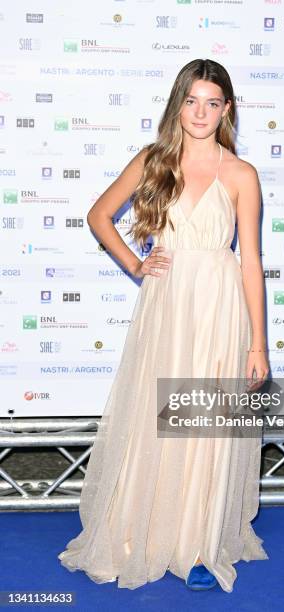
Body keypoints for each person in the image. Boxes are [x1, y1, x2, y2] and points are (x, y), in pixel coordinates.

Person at [58, 58, 270, 593]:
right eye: (193, 100)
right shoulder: (154, 160)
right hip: (168, 304)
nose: (201, 112)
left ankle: (197, 544)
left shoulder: (241, 174)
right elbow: (98, 215)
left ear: (227, 109)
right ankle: (141, 527)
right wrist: (135, 264)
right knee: (159, 415)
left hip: (221, 309)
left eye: (213, 102)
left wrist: (259, 344)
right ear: (179, 103)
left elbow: (249, 261)